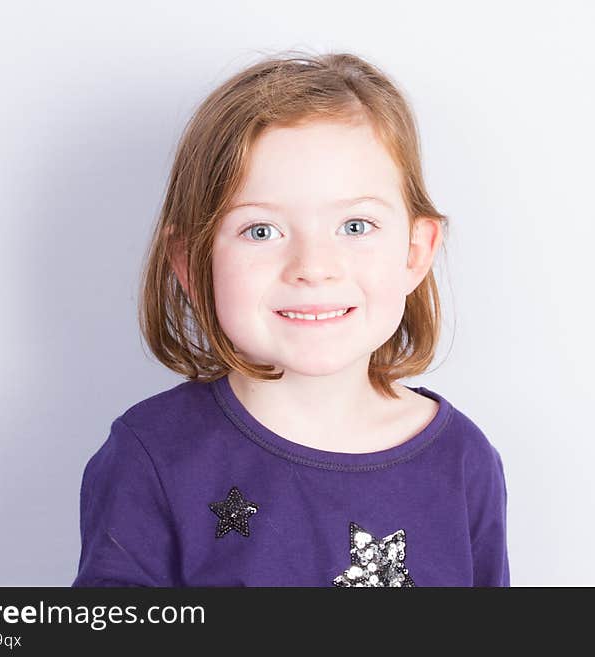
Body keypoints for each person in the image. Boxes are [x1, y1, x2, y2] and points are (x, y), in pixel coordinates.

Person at [71, 50, 510, 587]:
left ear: (415, 252)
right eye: (261, 231)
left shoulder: (465, 462)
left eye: (355, 225)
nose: (313, 268)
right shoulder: (152, 456)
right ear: (192, 264)